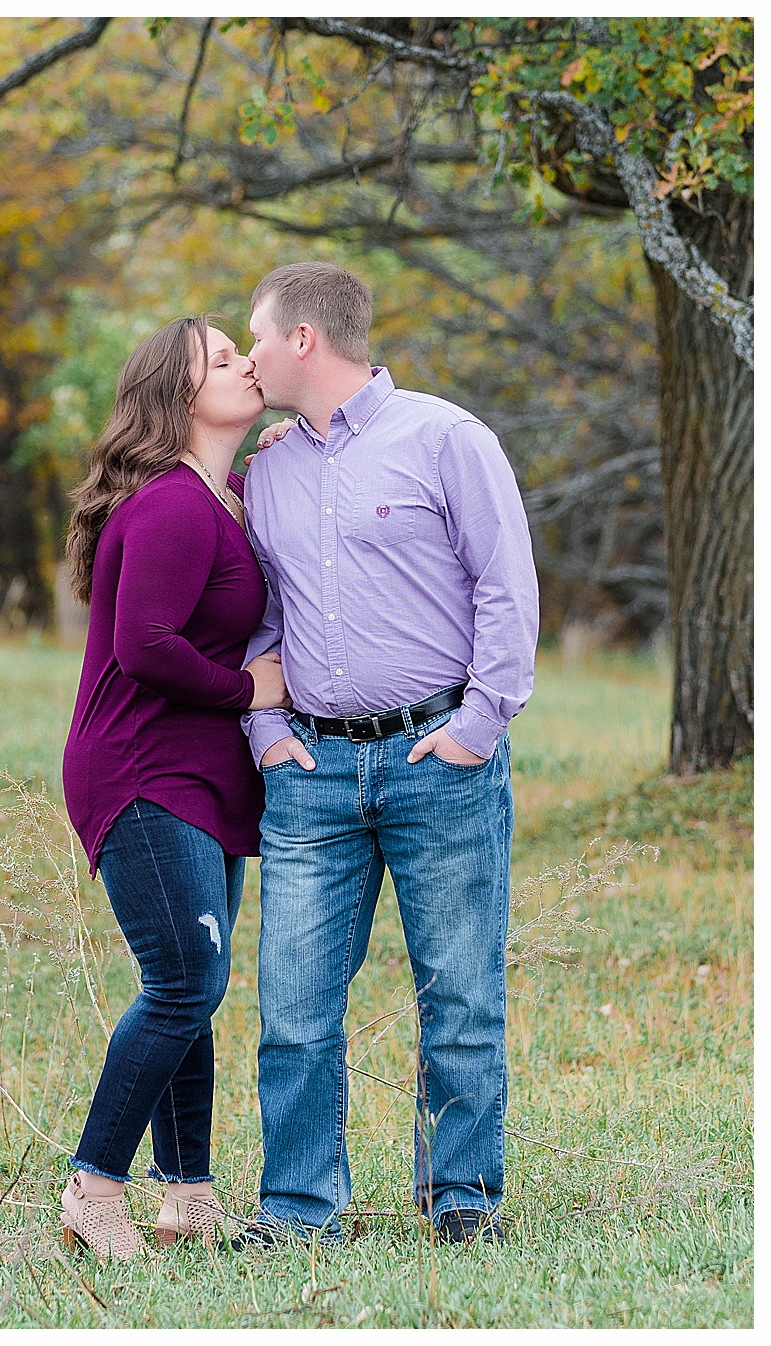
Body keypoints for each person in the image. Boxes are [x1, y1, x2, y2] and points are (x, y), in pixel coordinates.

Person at [236, 261, 538, 1247]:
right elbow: (262, 616)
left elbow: (506, 583)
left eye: (257, 336)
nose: (249, 355)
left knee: (459, 993)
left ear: (305, 341)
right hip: (313, 777)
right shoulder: (269, 469)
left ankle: (462, 1200)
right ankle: (298, 1209)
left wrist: (480, 724)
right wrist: (269, 731)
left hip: (436, 762)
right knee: (293, 1004)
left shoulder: (447, 439)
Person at [57, 316, 291, 1260]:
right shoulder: (168, 507)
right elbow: (142, 646)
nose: (247, 362)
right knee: (187, 979)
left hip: (195, 772)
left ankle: (188, 1198)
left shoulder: (218, 496)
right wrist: (248, 688)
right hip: (141, 767)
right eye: (223, 359)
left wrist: (264, 459)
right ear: (178, 396)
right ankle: (92, 1188)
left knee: (191, 986)